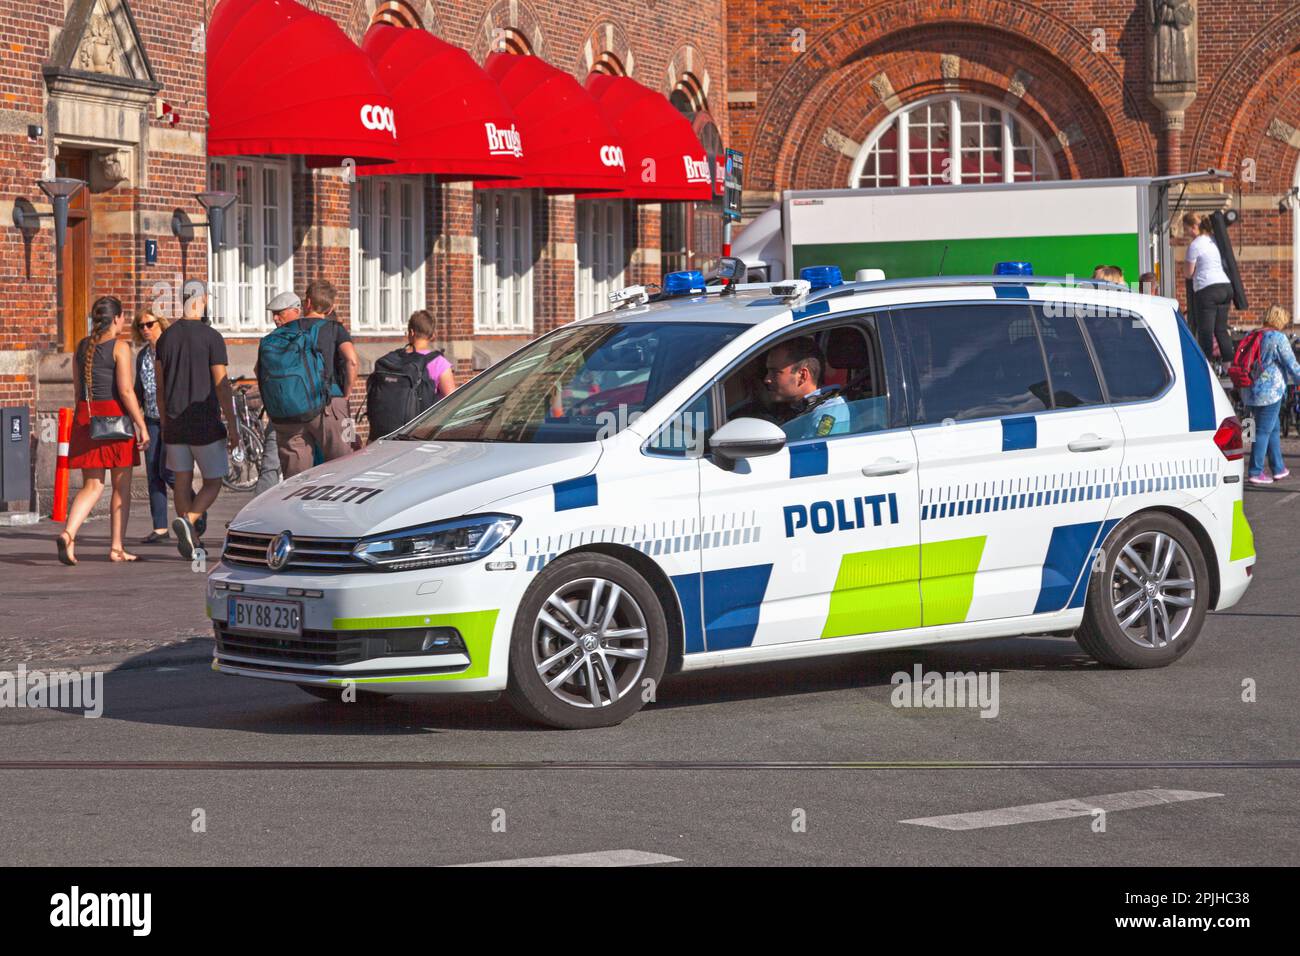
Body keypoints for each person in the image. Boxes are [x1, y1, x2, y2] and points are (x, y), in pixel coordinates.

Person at [56, 296, 150, 565]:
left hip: (87, 416)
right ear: (118, 319)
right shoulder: (120, 347)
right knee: (121, 487)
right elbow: (126, 391)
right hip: (115, 417)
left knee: (92, 486)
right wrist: (141, 425)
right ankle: (117, 547)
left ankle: (68, 533)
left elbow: (77, 391)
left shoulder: (82, 347)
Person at [155, 289, 239, 560]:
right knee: (214, 481)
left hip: (175, 422)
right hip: (204, 422)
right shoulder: (212, 337)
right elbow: (221, 384)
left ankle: (193, 541)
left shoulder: (165, 337)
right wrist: (234, 425)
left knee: (182, 479)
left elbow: (159, 385)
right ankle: (189, 521)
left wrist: (165, 419)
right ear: (201, 301)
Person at [259, 288, 353, 477]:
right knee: (344, 469)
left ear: (305, 304)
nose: (276, 319)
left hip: (287, 415)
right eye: (274, 314)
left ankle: (295, 506)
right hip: (326, 406)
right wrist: (347, 394)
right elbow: (352, 360)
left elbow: (258, 371)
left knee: (295, 479)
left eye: (279, 313)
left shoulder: (270, 340)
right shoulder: (329, 328)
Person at [1240, 305, 1300, 485]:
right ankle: (1255, 471)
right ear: (1280, 320)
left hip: (1249, 390)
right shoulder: (1277, 338)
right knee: (1263, 431)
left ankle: (1278, 468)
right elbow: (1291, 364)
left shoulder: (1252, 334)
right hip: (1270, 392)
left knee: (1272, 429)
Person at [132, 310, 172, 543]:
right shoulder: (143, 356)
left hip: (172, 418)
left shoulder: (170, 350)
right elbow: (138, 390)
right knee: (153, 472)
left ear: (160, 324)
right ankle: (160, 527)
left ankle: (196, 510)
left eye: (149, 324)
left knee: (170, 472)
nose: (145, 329)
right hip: (151, 419)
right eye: (141, 326)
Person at [762, 337, 849, 440]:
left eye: (775, 372)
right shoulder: (798, 408)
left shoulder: (831, 412)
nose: (766, 379)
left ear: (802, 376)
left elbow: (817, 454)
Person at [1184, 211, 1235, 364]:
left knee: (1205, 332)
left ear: (1193, 227)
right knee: (1221, 330)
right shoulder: (1214, 239)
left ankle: (1207, 369)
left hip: (1208, 289)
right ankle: (1230, 367)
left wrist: (1186, 270)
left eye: (1186, 229)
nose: (1186, 233)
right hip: (1225, 287)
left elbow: (1188, 273)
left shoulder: (1195, 245)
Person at [406, 309, 457, 397]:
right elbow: (451, 402)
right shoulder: (440, 364)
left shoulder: (395, 360)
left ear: (411, 332)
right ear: (433, 335)